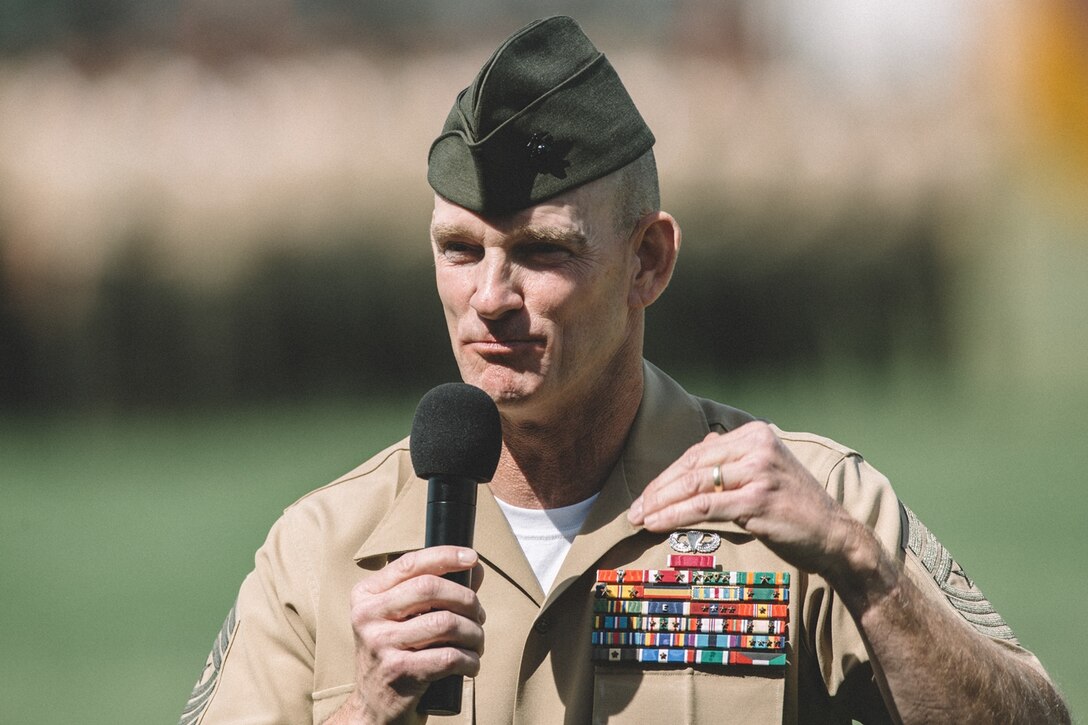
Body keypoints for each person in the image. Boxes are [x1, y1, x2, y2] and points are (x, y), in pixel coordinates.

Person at [180, 16, 1069, 724]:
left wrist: (864, 573)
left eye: (540, 252)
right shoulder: (321, 550)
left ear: (648, 261)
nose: (490, 295)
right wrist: (366, 705)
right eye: (459, 249)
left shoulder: (811, 511)